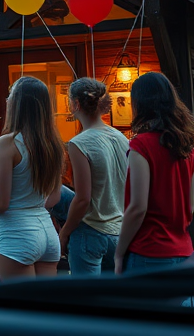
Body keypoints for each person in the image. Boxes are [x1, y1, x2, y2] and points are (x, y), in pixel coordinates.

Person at [0, 76, 64, 280]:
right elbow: (54, 198)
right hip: (47, 234)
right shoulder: (54, 144)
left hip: (17, 233)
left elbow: (0, 203)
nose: (7, 100)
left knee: (18, 307)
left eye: (10, 96)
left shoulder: (7, 143)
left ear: (17, 104)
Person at [114, 72, 194, 274]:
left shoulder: (141, 146)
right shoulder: (189, 149)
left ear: (140, 104)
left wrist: (119, 253)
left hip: (148, 254)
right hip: (184, 252)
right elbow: (190, 205)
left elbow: (137, 208)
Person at [57, 78, 129, 276]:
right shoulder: (122, 139)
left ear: (76, 104)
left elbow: (83, 199)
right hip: (119, 233)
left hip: (91, 231)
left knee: (85, 300)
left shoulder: (79, 143)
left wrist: (64, 234)